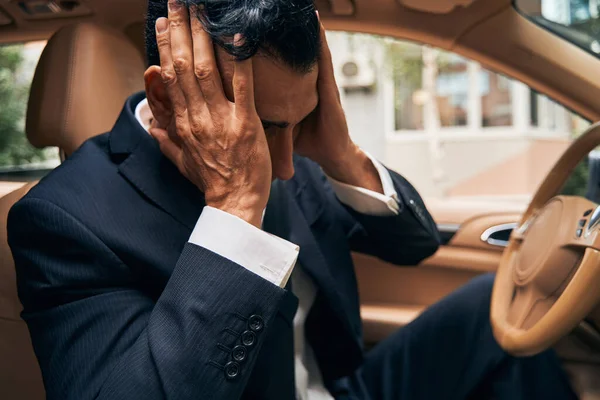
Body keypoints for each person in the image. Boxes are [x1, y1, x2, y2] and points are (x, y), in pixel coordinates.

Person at [8, 0, 577, 399]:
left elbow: (416, 245)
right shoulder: (66, 219)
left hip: (344, 386)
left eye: (298, 124)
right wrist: (235, 208)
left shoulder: (298, 142)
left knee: (494, 307)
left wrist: (341, 154)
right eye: (265, 129)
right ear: (165, 94)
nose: (285, 167)